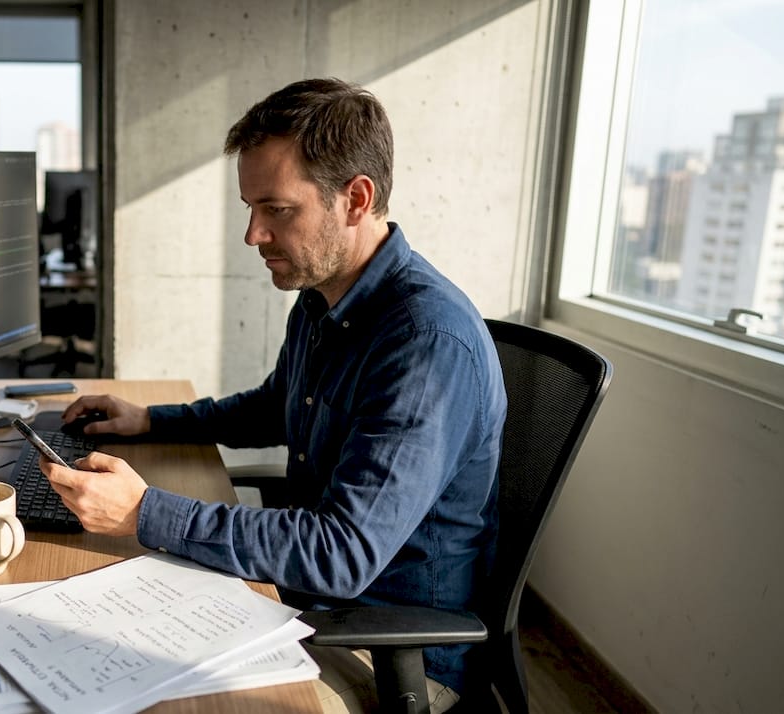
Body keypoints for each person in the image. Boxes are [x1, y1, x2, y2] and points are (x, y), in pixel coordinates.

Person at [40, 77, 506, 712]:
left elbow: (341, 554)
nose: (253, 235)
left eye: (277, 210)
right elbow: (277, 405)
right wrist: (149, 418)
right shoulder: (324, 298)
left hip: (391, 653)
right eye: (249, 208)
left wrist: (142, 512)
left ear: (356, 198)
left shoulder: (425, 343)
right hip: (308, 605)